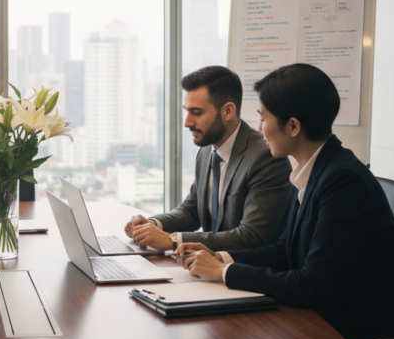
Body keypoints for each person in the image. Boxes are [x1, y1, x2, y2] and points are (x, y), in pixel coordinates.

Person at [176, 64, 394, 339]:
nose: (259, 129)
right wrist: (223, 257)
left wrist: (223, 274)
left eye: (263, 118)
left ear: (293, 126)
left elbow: (314, 286)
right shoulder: (315, 171)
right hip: (335, 329)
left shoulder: (343, 182)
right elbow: (288, 249)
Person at [124, 66, 293, 251]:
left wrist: (173, 240)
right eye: (187, 111)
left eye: (197, 113)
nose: (187, 122)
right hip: (207, 269)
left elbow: (251, 236)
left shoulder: (265, 157)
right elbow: (192, 210)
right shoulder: (207, 150)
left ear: (228, 111)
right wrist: (153, 224)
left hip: (247, 272)